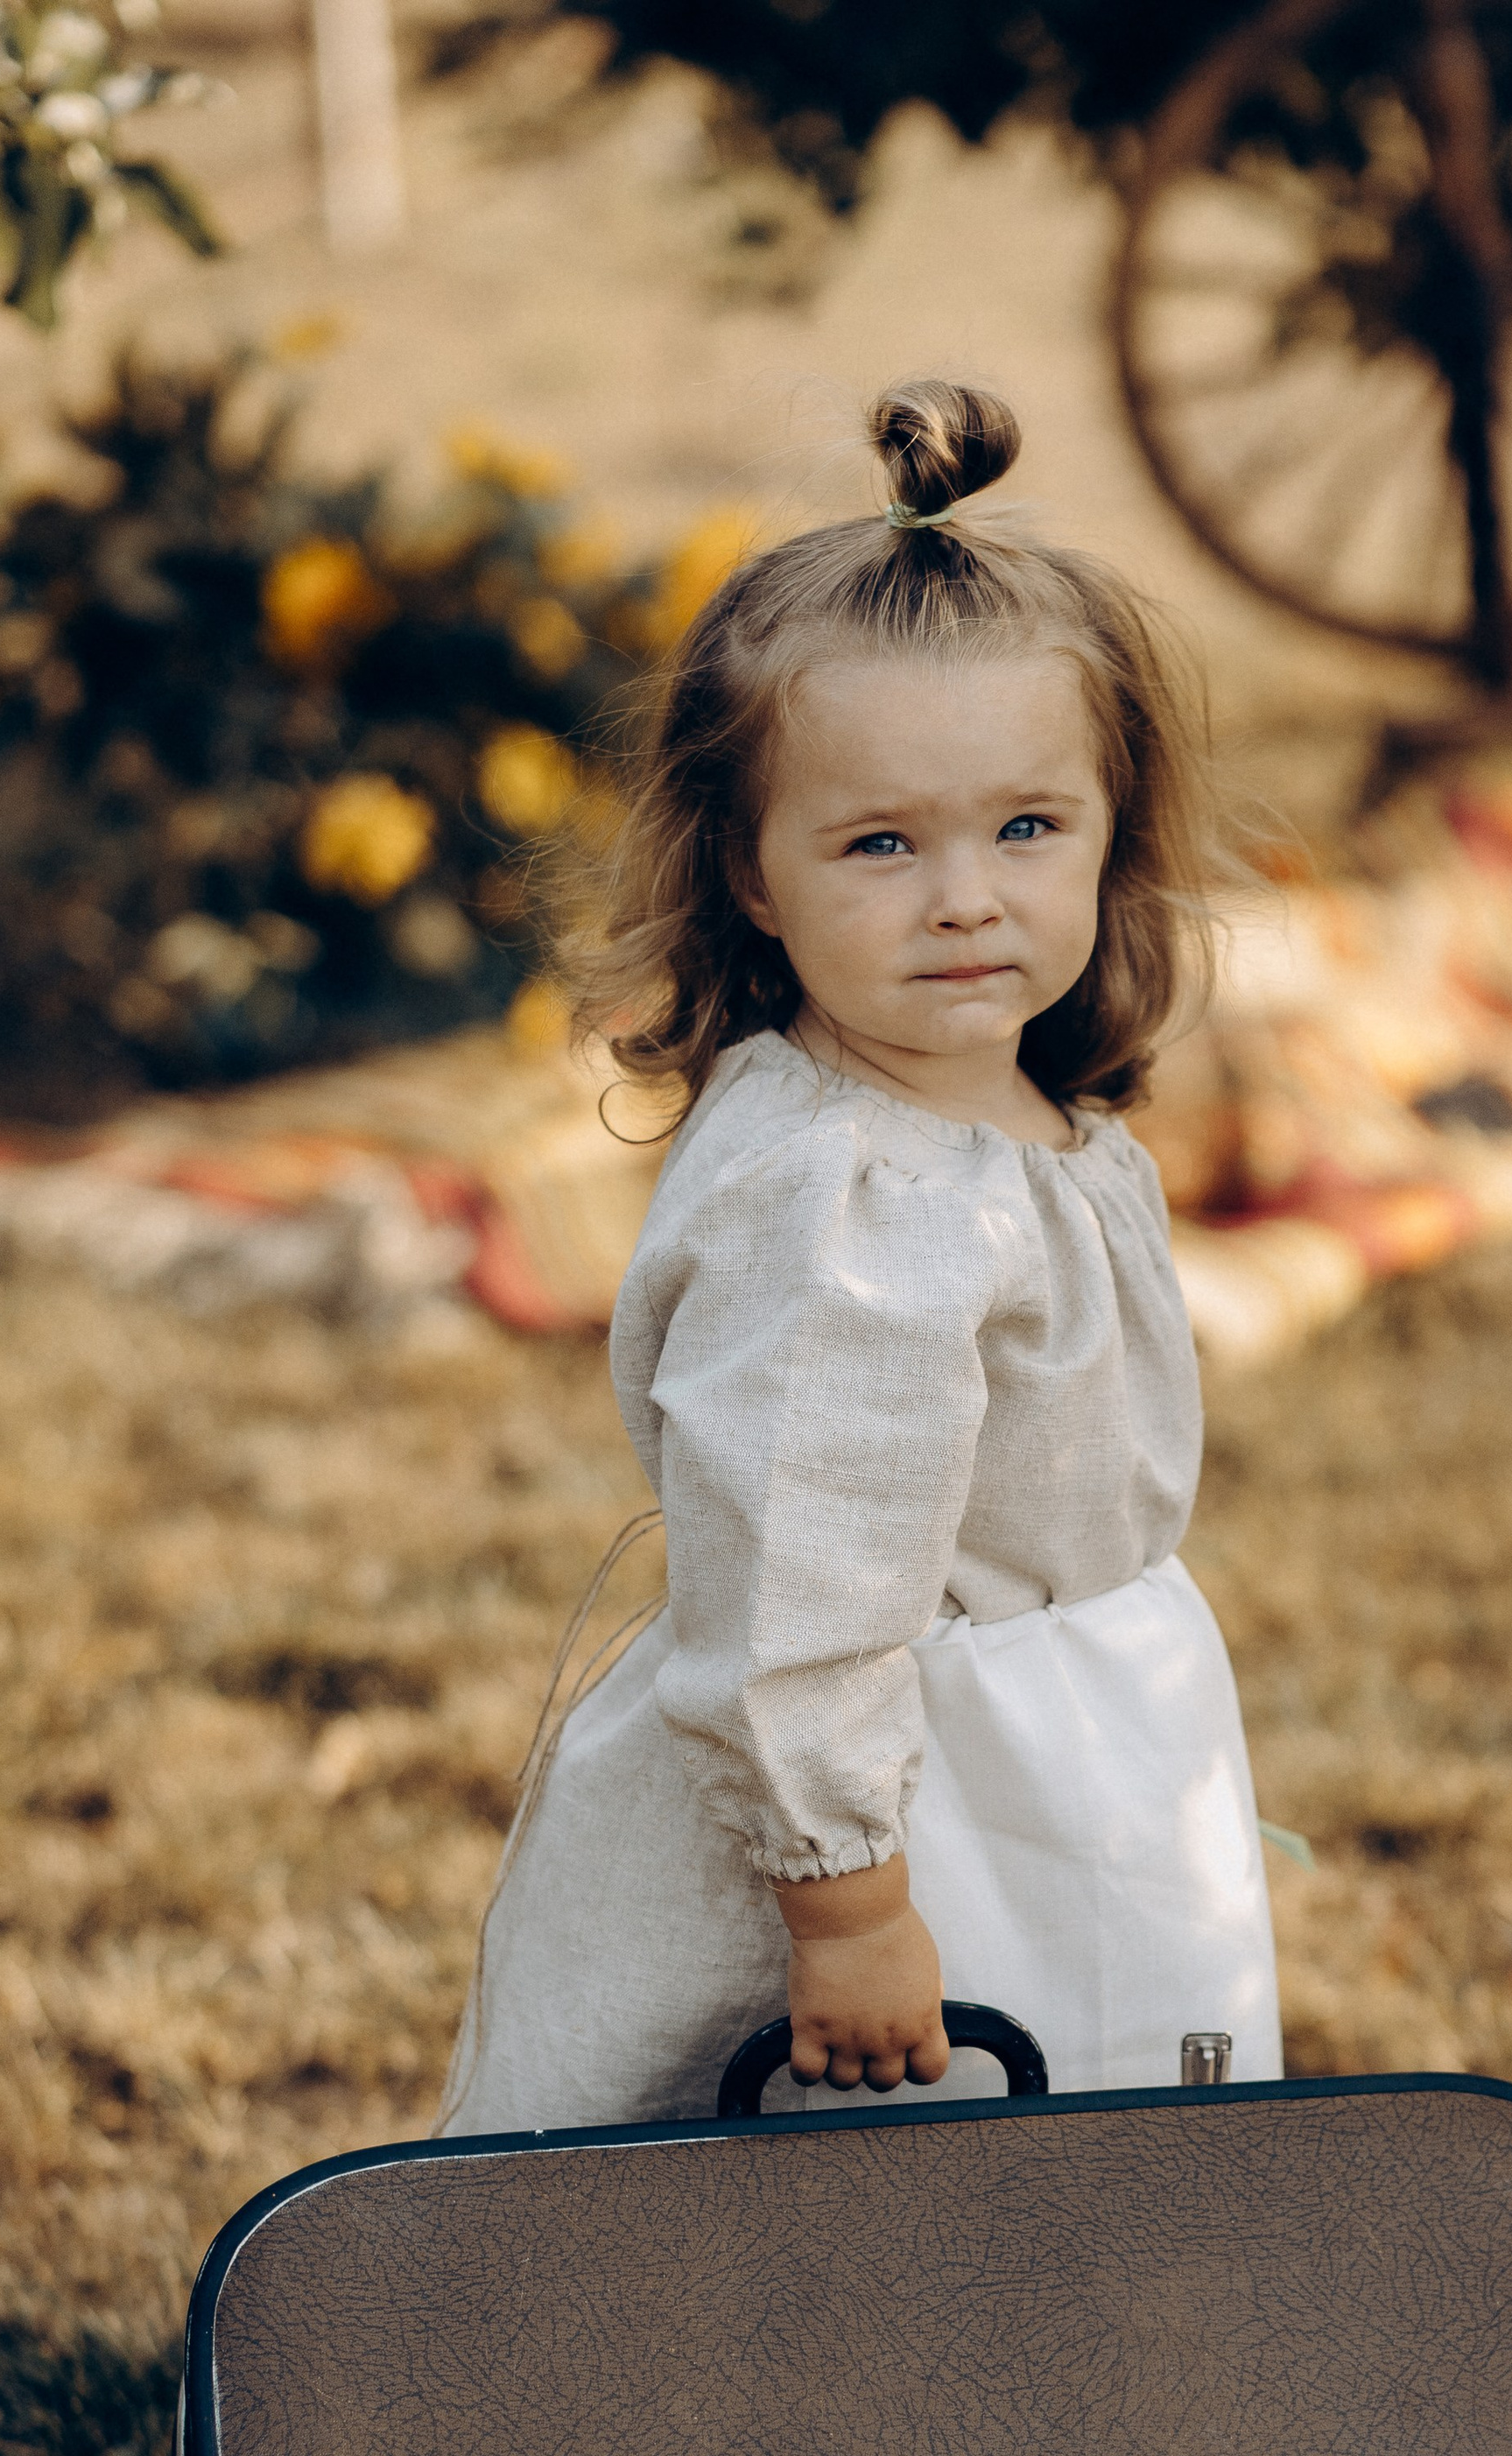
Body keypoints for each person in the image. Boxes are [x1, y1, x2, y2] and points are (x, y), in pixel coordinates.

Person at [438, 376, 1281, 2135]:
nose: (963, 895)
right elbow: (797, 1583)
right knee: (898, 2195)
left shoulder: (1005, 1119)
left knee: (1092, 2155)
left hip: (1067, 1758)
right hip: (919, 1806)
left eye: (1024, 828)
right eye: (879, 843)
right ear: (750, 873)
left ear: (1111, 826)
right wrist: (849, 1907)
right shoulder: (854, 1213)